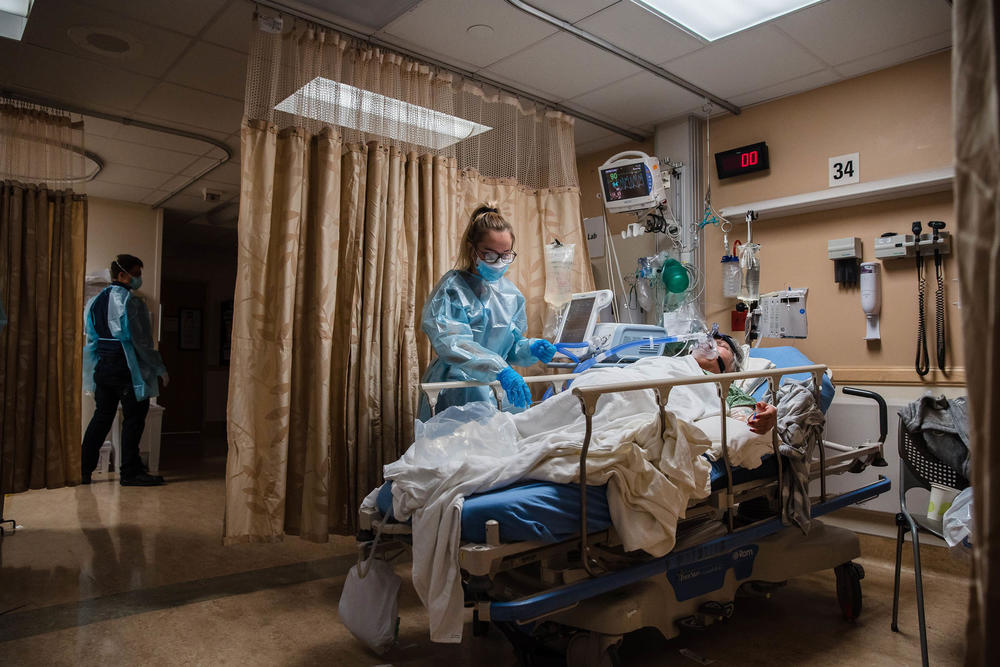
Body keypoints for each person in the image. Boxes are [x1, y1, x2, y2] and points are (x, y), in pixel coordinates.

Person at [419, 204, 558, 418]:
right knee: (466, 445)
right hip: (458, 384)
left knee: (510, 438)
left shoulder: (511, 295)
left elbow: (510, 347)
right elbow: (453, 344)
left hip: (496, 384)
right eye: (489, 255)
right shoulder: (452, 288)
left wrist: (530, 348)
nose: (498, 263)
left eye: (505, 255)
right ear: (471, 249)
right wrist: (499, 369)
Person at [81, 254, 168, 486]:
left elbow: (91, 340)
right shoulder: (131, 302)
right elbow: (141, 343)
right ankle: (130, 472)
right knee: (133, 420)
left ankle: (83, 470)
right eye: (137, 274)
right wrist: (159, 367)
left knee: (101, 418)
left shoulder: (94, 302)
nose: (139, 279)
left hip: (104, 371)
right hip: (126, 371)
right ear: (123, 274)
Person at [692, 329, 777, 434]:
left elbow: (747, 425)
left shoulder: (726, 388)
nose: (709, 343)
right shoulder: (676, 363)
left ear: (730, 370)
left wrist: (761, 420)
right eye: (705, 341)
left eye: (721, 345)